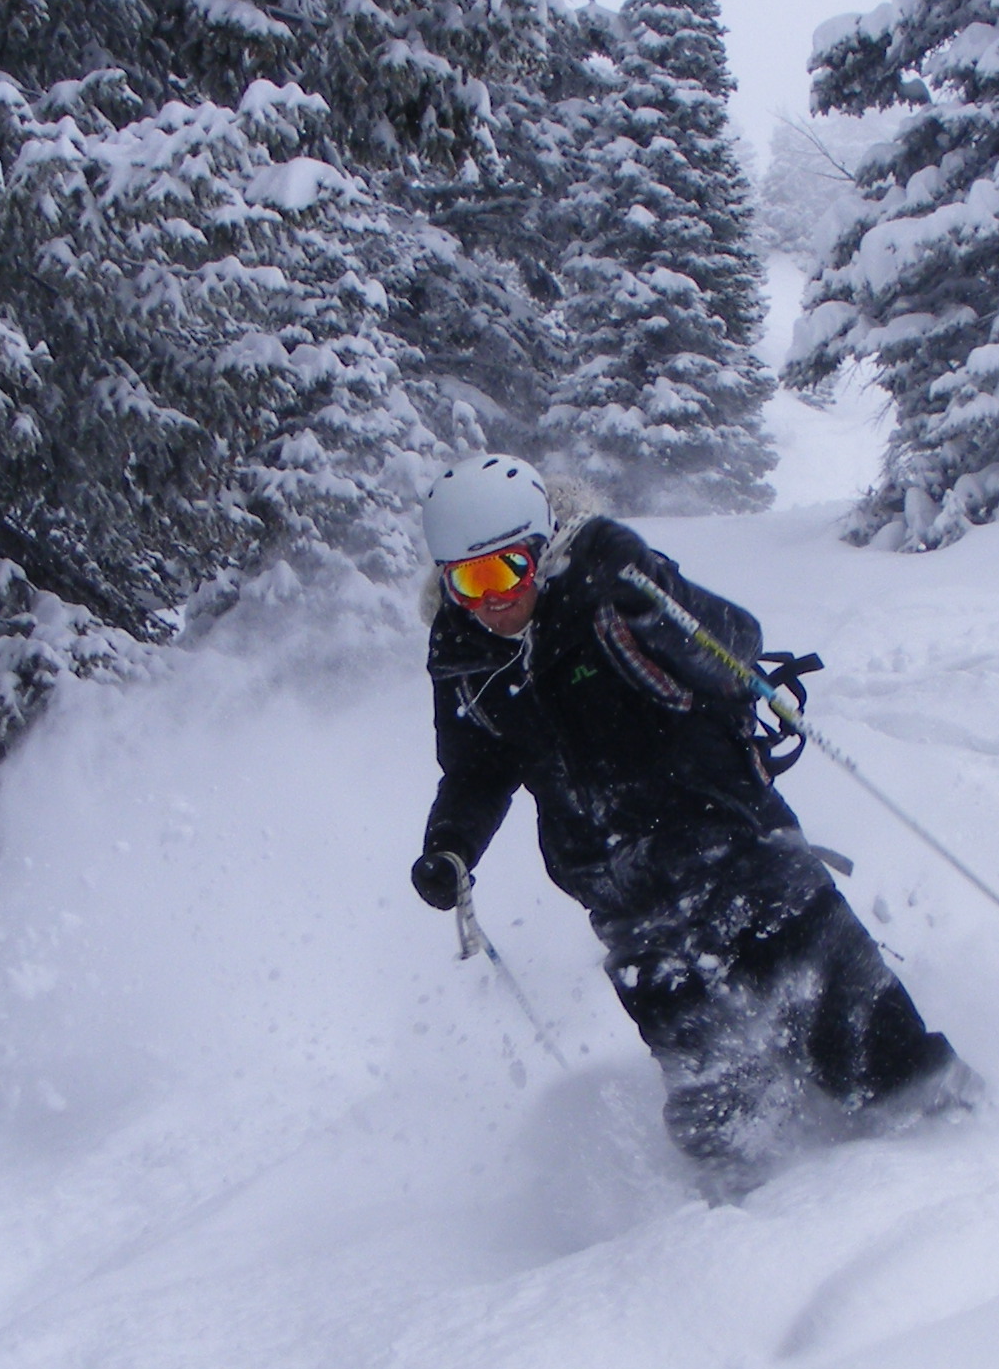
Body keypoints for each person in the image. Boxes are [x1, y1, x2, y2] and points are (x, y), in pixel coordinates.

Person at [409, 454, 968, 1183]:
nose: (488, 600)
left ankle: (959, 1156)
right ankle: (749, 1225)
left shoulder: (609, 585)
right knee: (715, 1098)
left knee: (852, 1023)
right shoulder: (462, 655)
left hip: (734, 844)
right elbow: (477, 769)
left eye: (504, 572)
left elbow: (735, 649)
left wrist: (655, 596)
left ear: (541, 548)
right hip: (623, 895)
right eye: (466, 580)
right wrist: (450, 846)